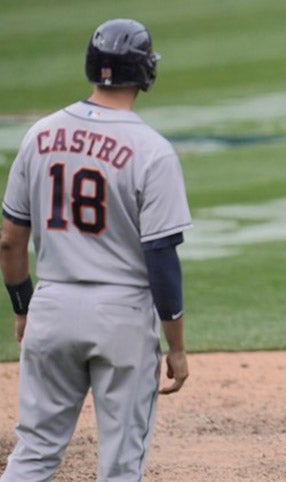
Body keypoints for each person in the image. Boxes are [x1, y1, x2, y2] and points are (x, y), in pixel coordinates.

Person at [0, 18, 192, 481]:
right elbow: (161, 256)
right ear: (145, 72)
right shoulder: (151, 150)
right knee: (120, 464)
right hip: (120, 315)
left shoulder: (39, 136)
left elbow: (9, 239)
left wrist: (24, 308)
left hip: (51, 305)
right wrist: (177, 345)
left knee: (36, 451)